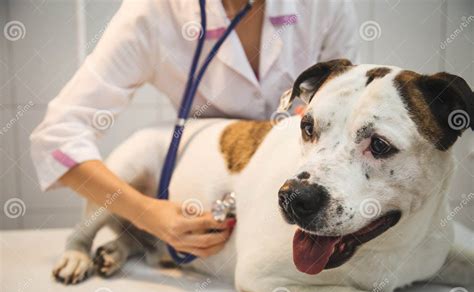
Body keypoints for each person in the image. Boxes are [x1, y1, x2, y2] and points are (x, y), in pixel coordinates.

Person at [30, 0, 359, 258]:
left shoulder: (324, 5)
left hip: (291, 190)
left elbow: (343, 106)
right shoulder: (154, 11)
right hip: (203, 193)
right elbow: (57, 137)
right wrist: (149, 214)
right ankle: (132, 240)